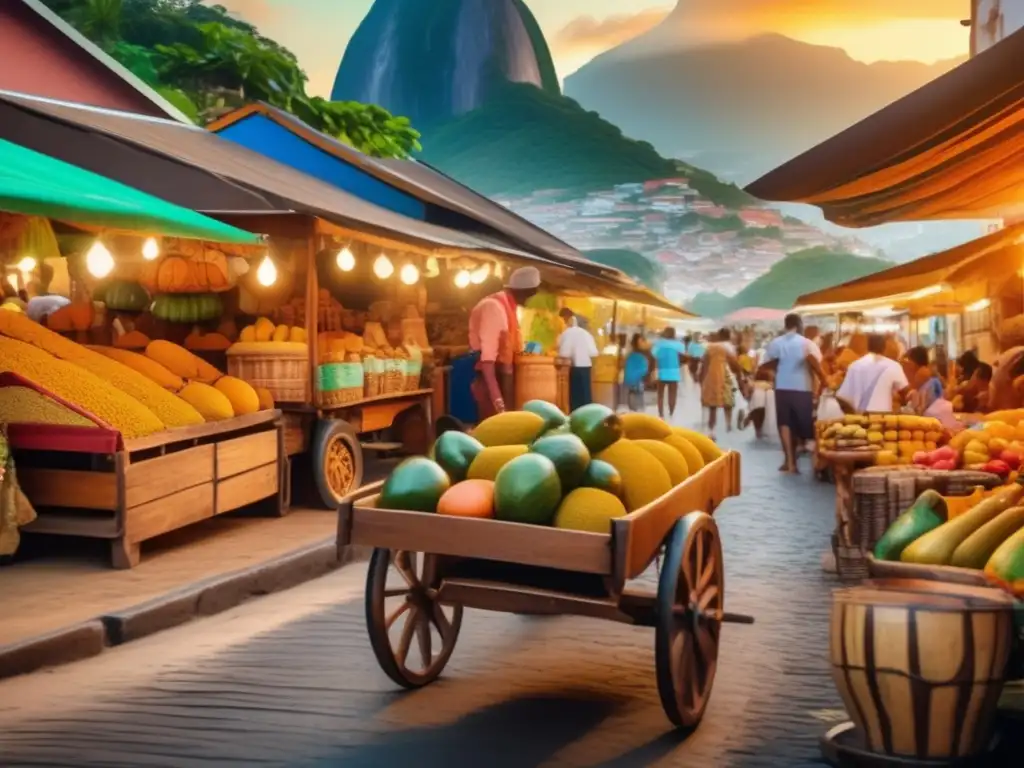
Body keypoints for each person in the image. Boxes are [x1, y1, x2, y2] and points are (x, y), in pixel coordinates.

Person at [467, 266, 540, 420]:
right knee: (492, 426)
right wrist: (498, 400)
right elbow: (487, 360)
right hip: (486, 377)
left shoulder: (510, 308)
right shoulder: (494, 308)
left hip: (500, 375)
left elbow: (509, 349)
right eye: (533, 294)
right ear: (525, 292)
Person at [761, 313, 825, 474]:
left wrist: (778, 373)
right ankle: (797, 460)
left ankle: (789, 462)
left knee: (785, 423)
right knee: (801, 423)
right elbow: (816, 363)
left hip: (782, 387)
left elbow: (767, 365)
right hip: (803, 389)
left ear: (786, 325)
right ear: (799, 325)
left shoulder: (776, 343)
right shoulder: (807, 343)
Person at [836, 334, 910, 415]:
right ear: (884, 347)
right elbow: (905, 392)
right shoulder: (893, 366)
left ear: (868, 346)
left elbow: (843, 398)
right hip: (884, 419)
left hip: (859, 417)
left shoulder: (854, 366)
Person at [699, 328, 745, 439]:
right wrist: (740, 378)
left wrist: (701, 379)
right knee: (734, 403)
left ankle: (711, 431)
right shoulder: (729, 347)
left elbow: (704, 365)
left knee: (712, 407)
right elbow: (735, 365)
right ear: (729, 336)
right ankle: (730, 426)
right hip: (728, 379)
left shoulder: (710, 347)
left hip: (712, 378)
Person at [557, 307, 598, 411]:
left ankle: (576, 413)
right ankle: (588, 412)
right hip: (586, 366)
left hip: (574, 367)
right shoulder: (586, 334)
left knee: (575, 395)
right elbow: (593, 352)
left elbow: (563, 352)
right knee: (586, 393)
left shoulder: (567, 333)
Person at [652, 327, 687, 419]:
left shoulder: (659, 344)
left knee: (660, 394)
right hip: (674, 371)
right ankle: (671, 412)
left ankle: (661, 414)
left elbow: (653, 354)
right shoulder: (678, 344)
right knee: (672, 393)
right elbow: (683, 353)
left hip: (662, 370)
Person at [622, 333, 650, 412]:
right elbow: (644, 368)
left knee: (632, 392)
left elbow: (626, 366)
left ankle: (633, 409)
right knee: (637, 393)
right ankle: (637, 410)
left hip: (630, 377)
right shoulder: (641, 354)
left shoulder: (630, 353)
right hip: (638, 378)